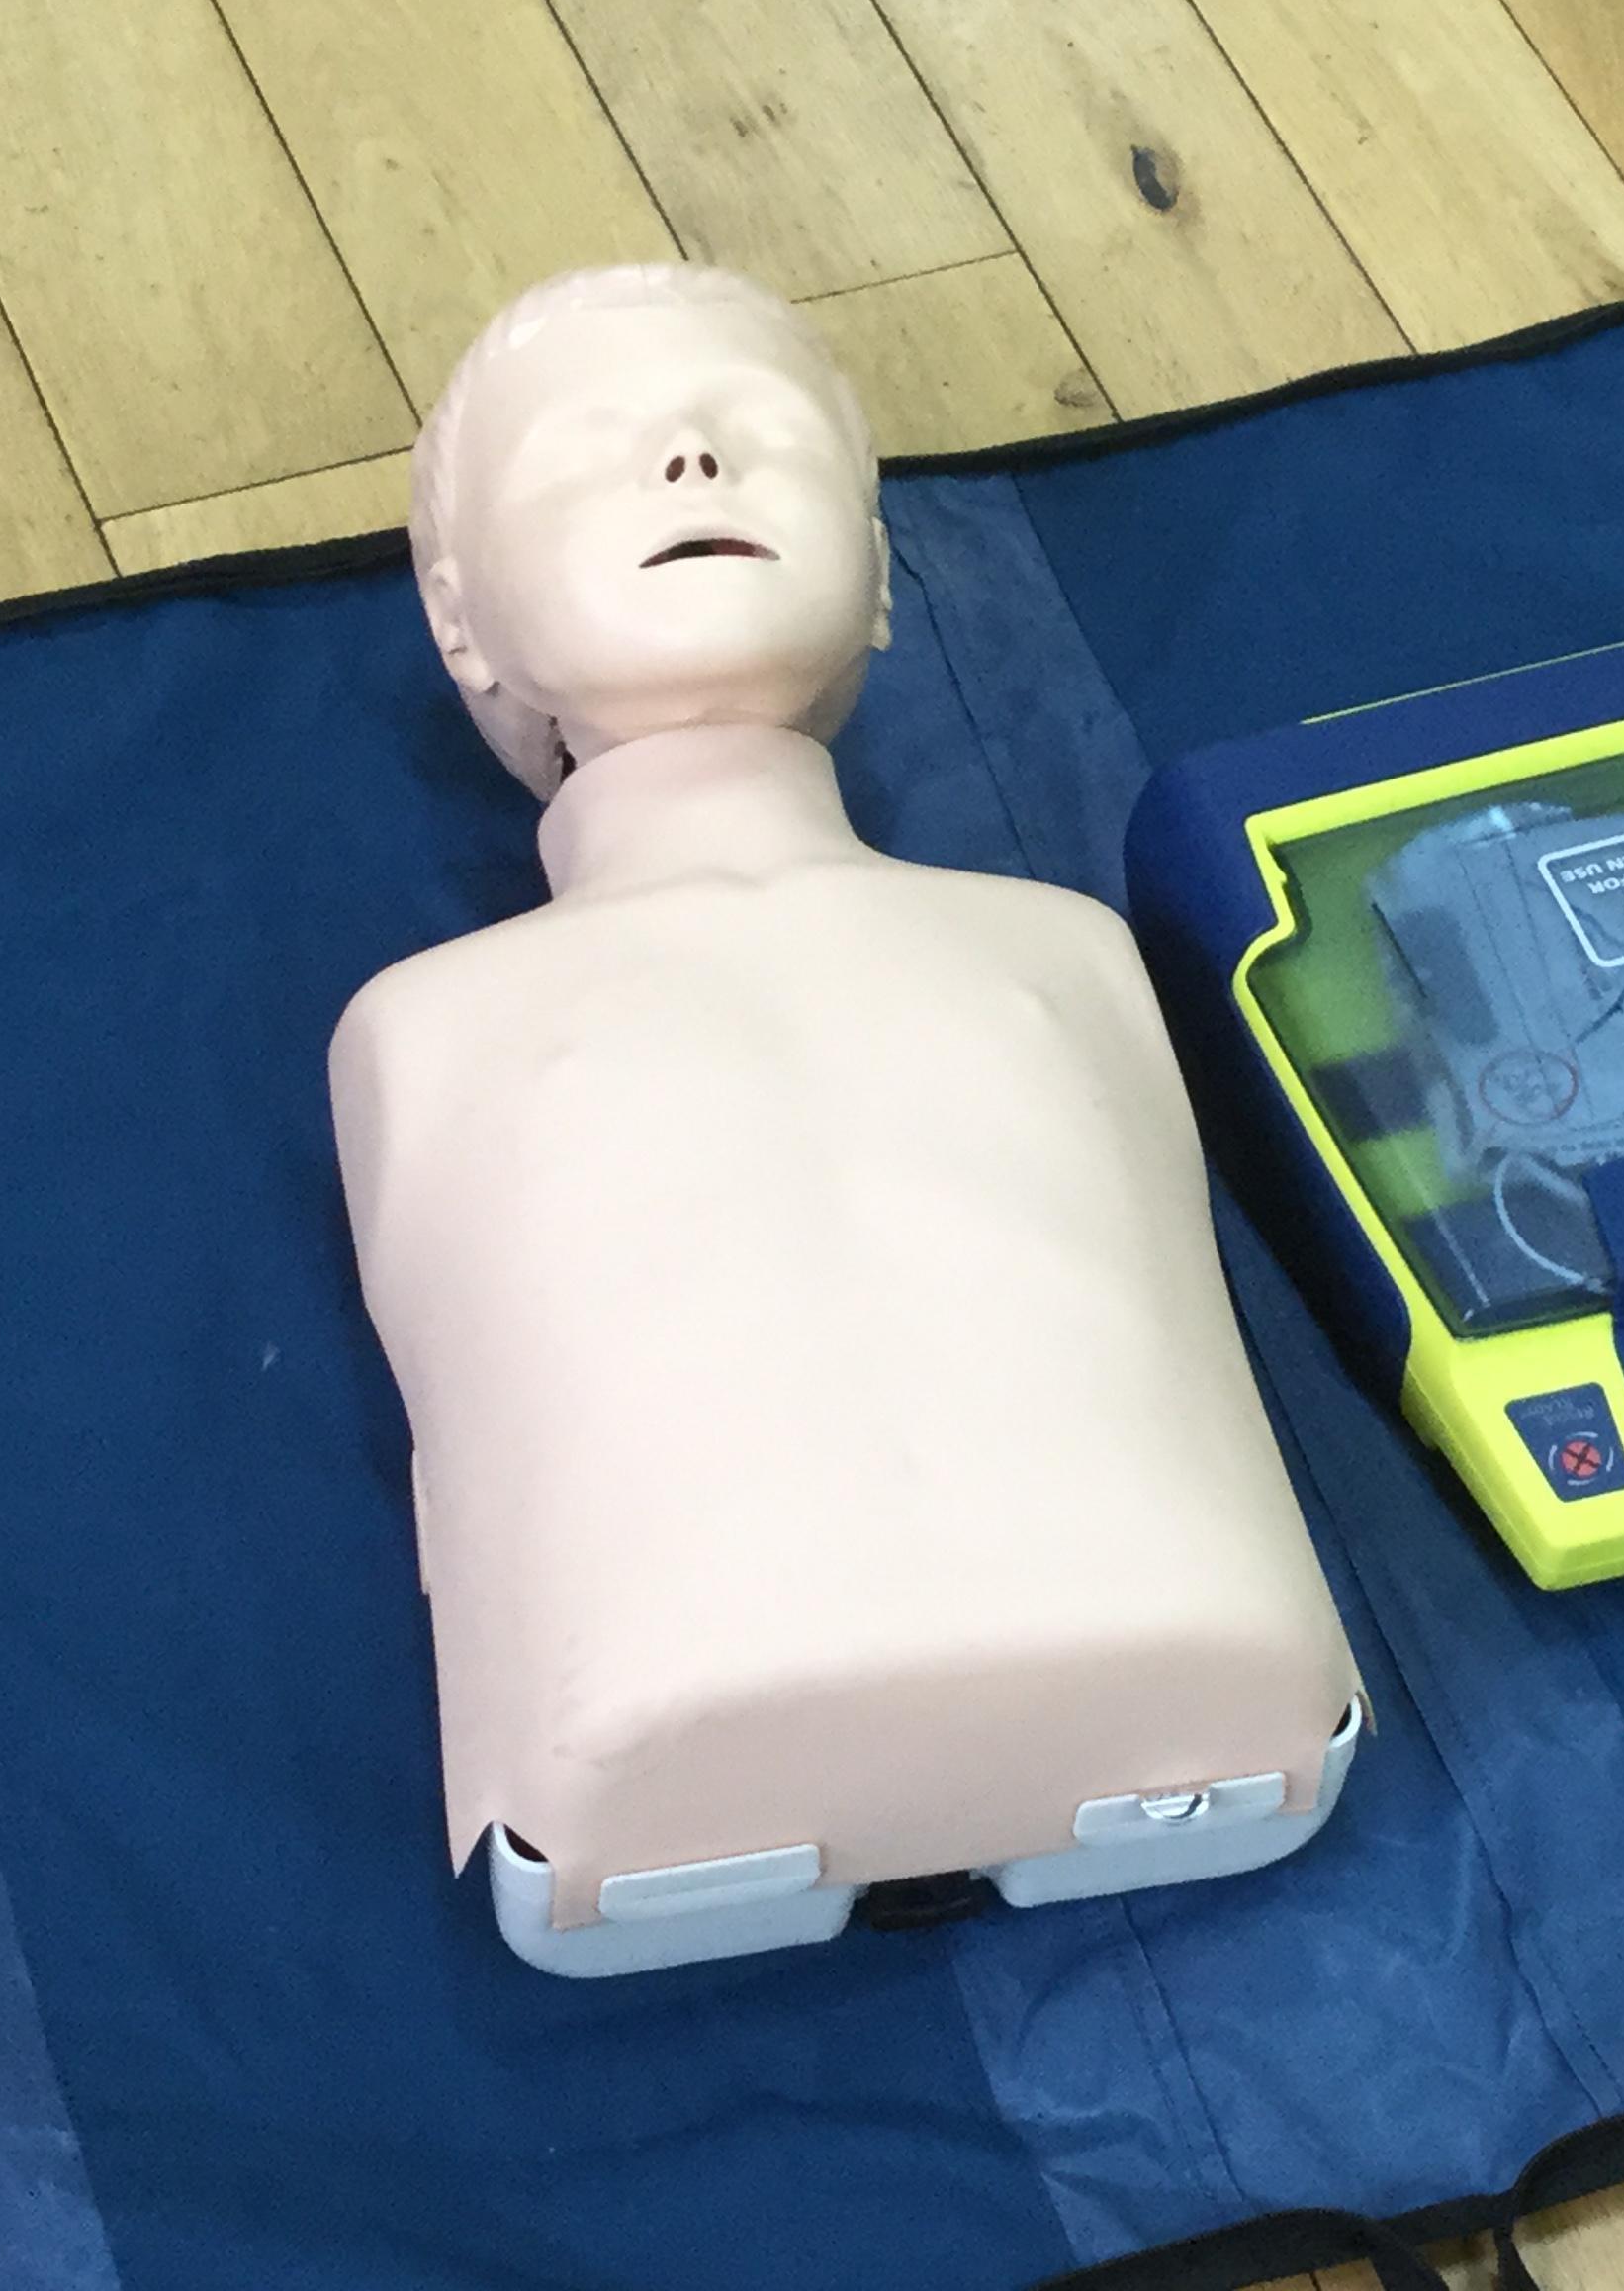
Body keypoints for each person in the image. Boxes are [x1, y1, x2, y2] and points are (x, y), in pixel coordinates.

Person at [331, 265, 1360, 1970]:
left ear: (881, 577)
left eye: (762, 432)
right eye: (593, 449)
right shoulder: (418, 1031)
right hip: (687, 1765)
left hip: (1189, 1694)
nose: (690, 461)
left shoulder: (1072, 950)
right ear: (461, 625)